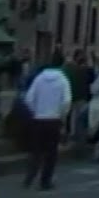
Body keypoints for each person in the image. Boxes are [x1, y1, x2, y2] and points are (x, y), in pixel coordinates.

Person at [22, 50, 71, 190]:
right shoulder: (63, 80)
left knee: (35, 151)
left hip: (38, 119)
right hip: (54, 120)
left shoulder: (39, 78)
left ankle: (29, 177)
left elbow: (29, 98)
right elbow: (67, 101)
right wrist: (62, 115)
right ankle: (45, 181)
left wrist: (35, 111)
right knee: (51, 153)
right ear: (62, 64)